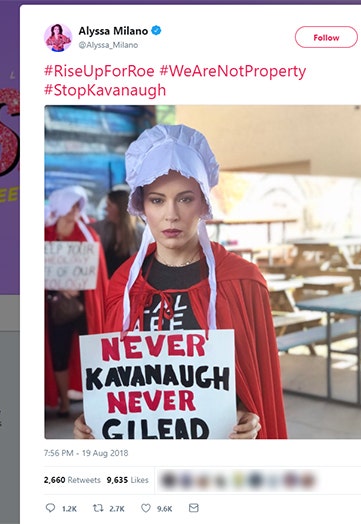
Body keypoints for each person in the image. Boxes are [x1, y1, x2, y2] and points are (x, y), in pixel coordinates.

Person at [73, 124, 287, 439]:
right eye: (157, 201)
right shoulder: (123, 286)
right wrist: (94, 421)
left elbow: (258, 386)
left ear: (203, 203)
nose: (171, 214)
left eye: (185, 199)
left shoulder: (242, 282)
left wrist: (248, 418)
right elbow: (116, 384)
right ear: (141, 206)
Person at [44, 186, 108, 417]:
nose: (74, 210)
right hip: (54, 304)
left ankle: (95, 401)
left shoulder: (88, 234)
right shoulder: (44, 233)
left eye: (77, 205)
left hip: (85, 304)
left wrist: (76, 285)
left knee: (91, 352)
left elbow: (96, 272)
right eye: (70, 205)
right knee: (58, 352)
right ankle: (63, 402)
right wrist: (59, 284)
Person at [90, 189, 143, 278]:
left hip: (129, 287)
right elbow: (86, 228)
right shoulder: (105, 226)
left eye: (109, 205)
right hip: (108, 285)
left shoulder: (141, 232)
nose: (105, 208)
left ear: (120, 208)